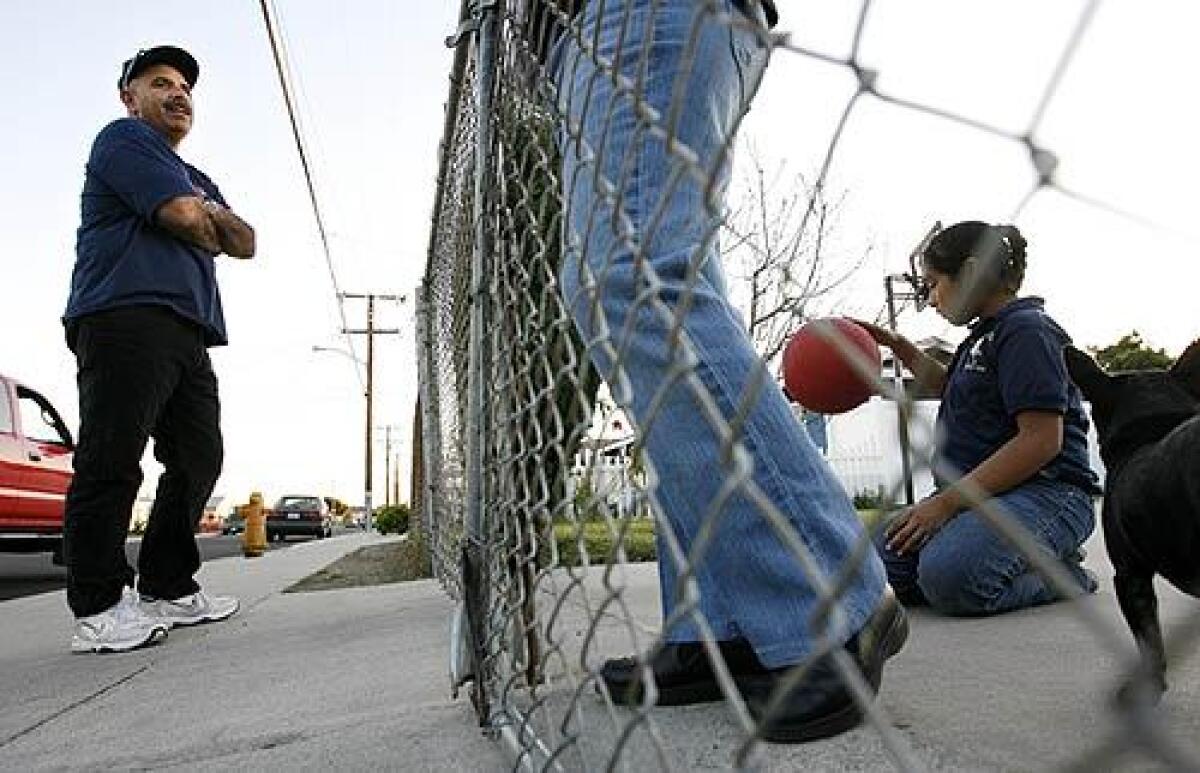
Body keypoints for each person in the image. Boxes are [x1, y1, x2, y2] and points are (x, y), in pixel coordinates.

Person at [550, 0, 906, 743]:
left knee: (632, 280)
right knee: (664, 287)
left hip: (638, 13)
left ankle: (826, 599)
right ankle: (724, 621)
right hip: (606, 28)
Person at [62, 45, 255, 653]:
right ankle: (97, 609)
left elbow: (245, 241)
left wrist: (204, 213)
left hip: (187, 329)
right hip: (122, 314)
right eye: (161, 83)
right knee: (112, 458)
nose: (179, 95)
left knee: (199, 457)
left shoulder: (198, 177)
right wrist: (202, 220)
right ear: (131, 96)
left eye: (186, 88)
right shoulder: (122, 140)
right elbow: (181, 217)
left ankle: (168, 586)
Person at [856, 221, 1099, 616]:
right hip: (980, 498)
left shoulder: (1026, 332)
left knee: (949, 579)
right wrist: (898, 347)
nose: (931, 298)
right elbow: (949, 386)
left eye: (933, 283)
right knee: (872, 567)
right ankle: (1002, 552)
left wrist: (945, 505)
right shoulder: (983, 336)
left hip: (1048, 493)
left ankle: (1065, 573)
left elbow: (1041, 440)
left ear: (969, 273)